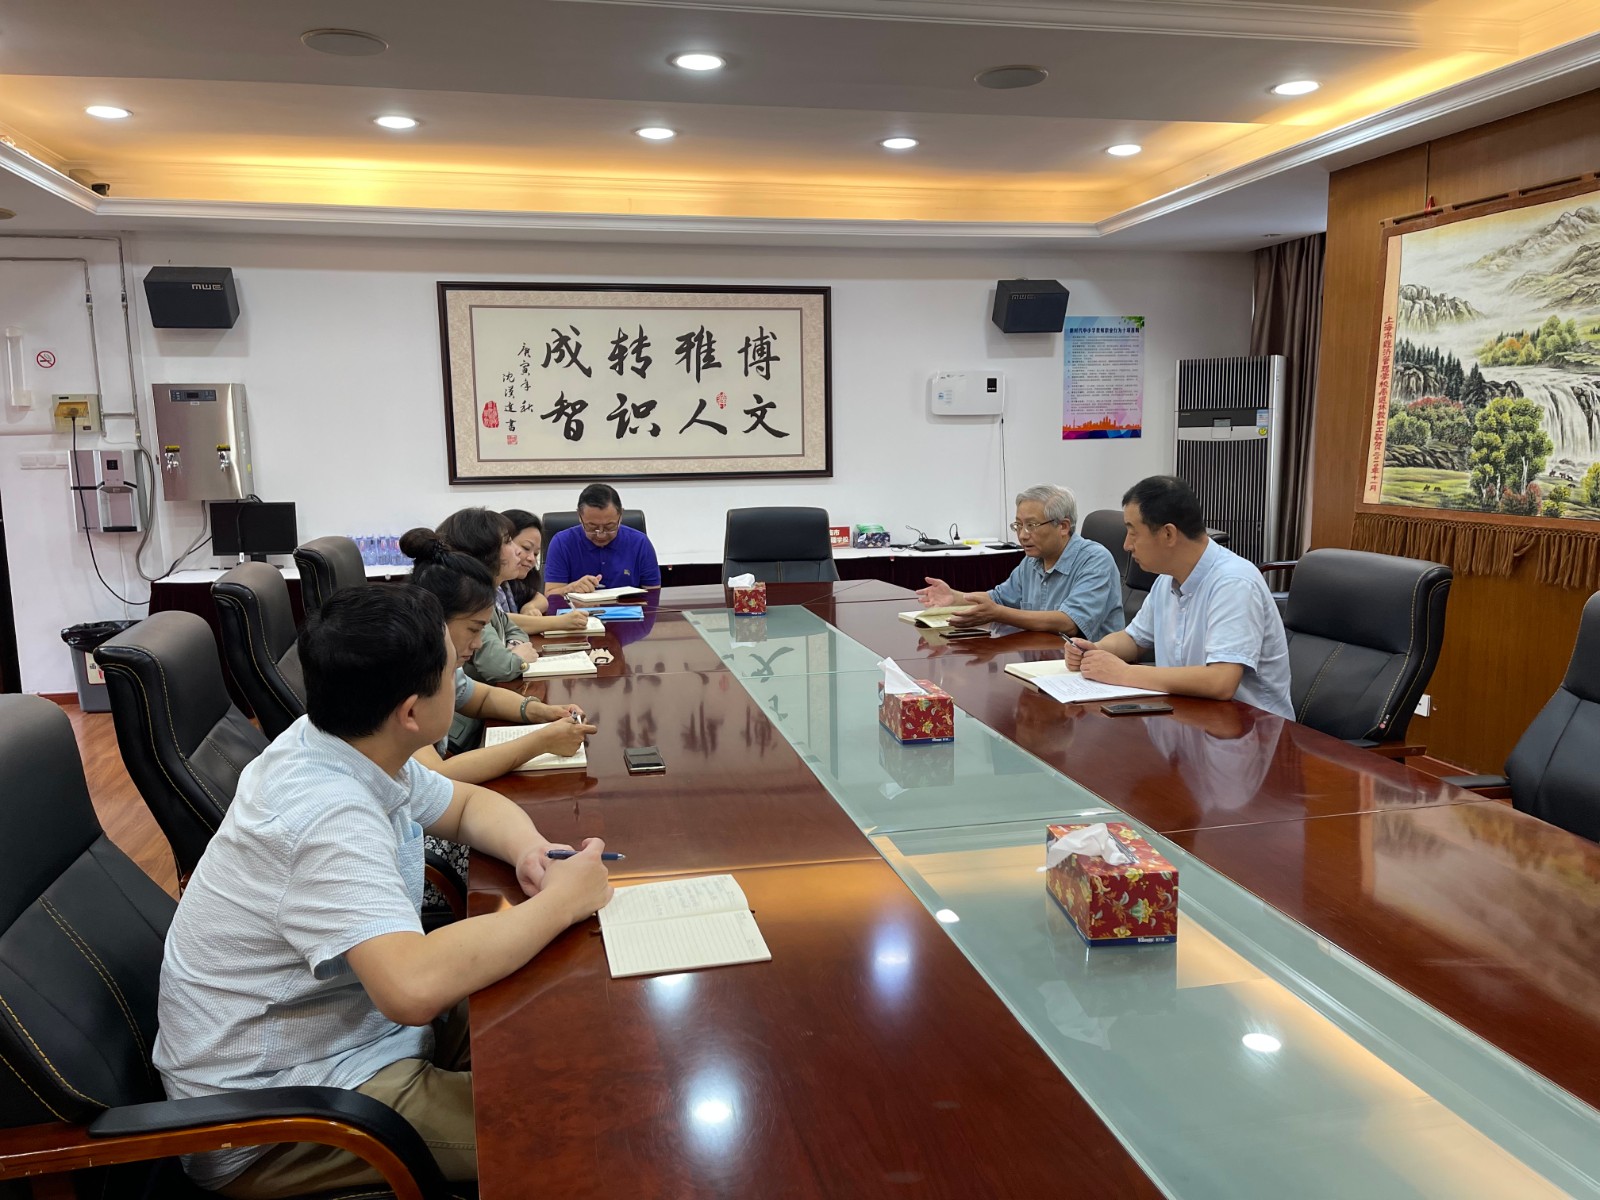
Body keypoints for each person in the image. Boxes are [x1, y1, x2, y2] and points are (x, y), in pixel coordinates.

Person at [152, 584, 613, 1197]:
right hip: (282, 1111)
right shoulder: (324, 814)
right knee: (582, 1122)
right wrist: (562, 902)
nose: (462, 676)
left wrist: (532, 851)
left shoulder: (341, 743)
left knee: (566, 1019)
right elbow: (410, 988)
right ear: (412, 712)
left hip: (355, 1033)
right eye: (452, 672)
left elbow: (466, 805)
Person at [1064, 475, 1292, 718]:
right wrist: (1094, 651)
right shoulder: (1166, 580)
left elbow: (1221, 681)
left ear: (1168, 534)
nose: (1126, 545)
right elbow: (1134, 640)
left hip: (1251, 728)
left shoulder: (1234, 583)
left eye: (1133, 533)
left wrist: (1123, 673)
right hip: (1187, 716)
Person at [401, 526, 595, 782]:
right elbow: (437, 777)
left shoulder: (439, 660)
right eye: (474, 629)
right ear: (438, 619)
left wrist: (544, 712)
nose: (479, 643)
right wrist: (540, 742)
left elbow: (482, 698)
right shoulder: (400, 670)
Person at [916, 484, 1123, 639]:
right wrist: (955, 597)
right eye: (1018, 525)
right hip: (1041, 660)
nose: (1022, 535)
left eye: (1031, 525)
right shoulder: (1032, 561)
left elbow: (1069, 623)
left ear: (1063, 526)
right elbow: (999, 598)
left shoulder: (1095, 560)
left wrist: (999, 614)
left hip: (1089, 669)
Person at [434, 507, 538, 683]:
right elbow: (499, 667)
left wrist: (512, 648)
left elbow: (515, 630)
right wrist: (518, 658)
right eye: (508, 542)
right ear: (485, 553)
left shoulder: (488, 595)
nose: (518, 552)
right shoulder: (469, 602)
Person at [543, 483, 661, 596]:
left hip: (629, 609)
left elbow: (654, 595)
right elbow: (550, 594)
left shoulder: (640, 543)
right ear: (579, 516)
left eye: (609, 526)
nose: (601, 534)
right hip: (577, 610)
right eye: (592, 527)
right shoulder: (562, 543)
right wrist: (571, 588)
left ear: (620, 515)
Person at [497, 509, 591, 635]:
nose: (531, 559)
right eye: (526, 548)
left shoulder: (510, 582)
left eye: (536, 553)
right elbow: (497, 621)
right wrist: (560, 622)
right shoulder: (480, 584)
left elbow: (540, 598)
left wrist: (529, 607)